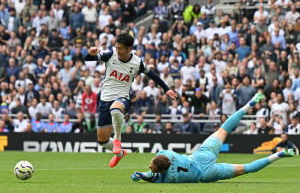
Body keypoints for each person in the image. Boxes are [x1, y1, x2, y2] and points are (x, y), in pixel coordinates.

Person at [131, 93, 295, 183]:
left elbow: (152, 176)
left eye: (151, 164)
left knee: (245, 168)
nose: (149, 164)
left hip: (206, 174)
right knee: (224, 129)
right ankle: (250, 103)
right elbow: (154, 171)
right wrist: (145, 173)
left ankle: (278, 155)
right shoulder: (167, 153)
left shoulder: (169, 179)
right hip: (202, 155)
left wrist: (142, 175)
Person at [84, 33, 177, 167]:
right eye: (116, 47)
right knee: (102, 140)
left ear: (129, 48)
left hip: (123, 98)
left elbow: (153, 75)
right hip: (105, 99)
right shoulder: (110, 55)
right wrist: (89, 53)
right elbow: (87, 58)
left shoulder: (137, 62)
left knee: (115, 109)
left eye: (120, 48)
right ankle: (120, 153)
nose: (117, 50)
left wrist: (166, 88)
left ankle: (117, 141)